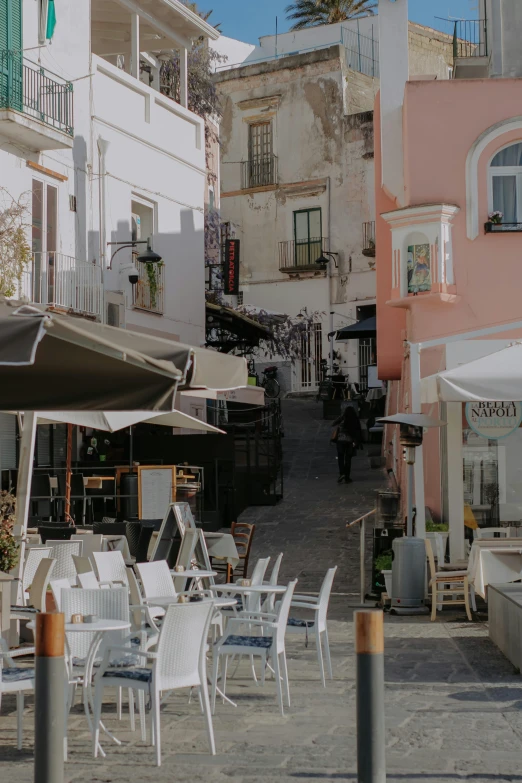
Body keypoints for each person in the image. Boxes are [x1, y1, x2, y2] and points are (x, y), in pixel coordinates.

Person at [331, 406, 362, 484]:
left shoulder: (343, 418)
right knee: (348, 459)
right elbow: (358, 431)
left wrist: (341, 416)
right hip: (350, 442)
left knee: (340, 458)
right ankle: (347, 476)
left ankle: (342, 474)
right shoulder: (355, 420)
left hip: (340, 441)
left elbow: (333, 423)